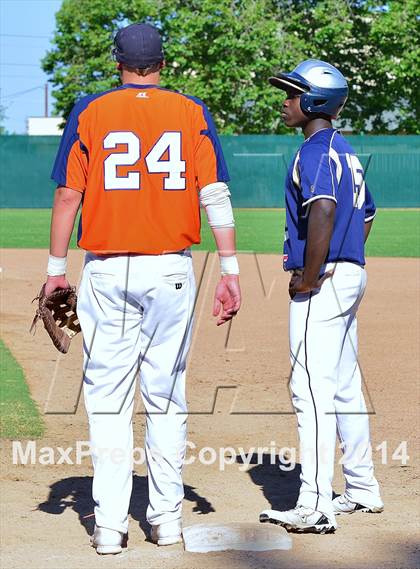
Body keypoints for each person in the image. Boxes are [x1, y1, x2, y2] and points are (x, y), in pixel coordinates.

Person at [42, 22, 241, 554]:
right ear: (162, 64)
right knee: (167, 396)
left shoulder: (91, 109)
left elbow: (68, 196)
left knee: (107, 400)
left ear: (118, 63)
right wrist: (230, 270)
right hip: (172, 271)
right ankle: (166, 520)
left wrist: (56, 268)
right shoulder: (191, 111)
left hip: (107, 271)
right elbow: (215, 194)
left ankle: (109, 528)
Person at [259, 60, 383, 533]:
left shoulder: (314, 150)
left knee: (310, 388)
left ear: (313, 102)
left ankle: (314, 504)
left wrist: (311, 276)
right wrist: (346, 259)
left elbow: (325, 209)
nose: (285, 101)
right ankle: (361, 487)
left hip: (325, 281)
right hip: (349, 275)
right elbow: (367, 213)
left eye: (292, 94)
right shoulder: (346, 151)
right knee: (344, 384)